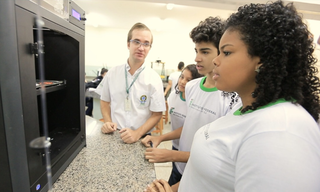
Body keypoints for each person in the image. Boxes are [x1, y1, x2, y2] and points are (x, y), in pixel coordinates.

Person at [146, 1, 320, 192]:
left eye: (226, 52)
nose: (216, 60)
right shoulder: (246, 109)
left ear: (261, 60)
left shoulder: (280, 130)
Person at [142, 16, 240, 191]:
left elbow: (217, 155)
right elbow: (188, 125)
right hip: (179, 166)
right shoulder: (193, 86)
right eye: (196, 51)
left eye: (204, 52)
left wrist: (171, 154)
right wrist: (160, 138)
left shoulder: (231, 98)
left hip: (202, 174)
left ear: (221, 52)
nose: (197, 58)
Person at [100, 22, 166, 144]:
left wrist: (137, 133)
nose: (141, 48)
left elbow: (157, 114)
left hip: (142, 137)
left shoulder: (154, 78)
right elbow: (104, 101)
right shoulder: (113, 73)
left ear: (150, 48)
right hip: (115, 134)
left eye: (146, 44)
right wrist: (107, 121)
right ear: (128, 44)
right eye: (136, 42)